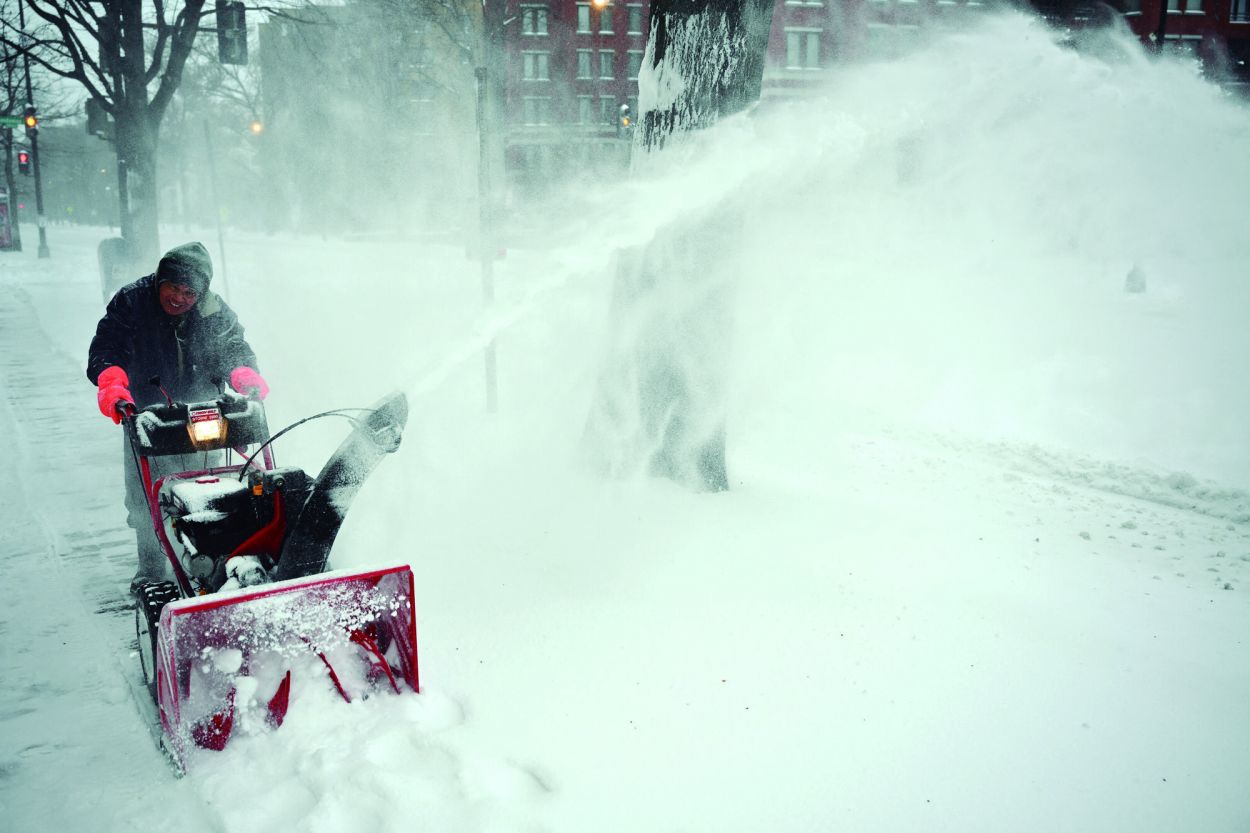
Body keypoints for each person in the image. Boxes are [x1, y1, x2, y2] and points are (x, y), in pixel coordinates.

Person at [87, 241, 270, 591]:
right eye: (173, 287)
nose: (179, 298)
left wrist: (244, 373)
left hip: (203, 411)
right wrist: (112, 383)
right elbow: (107, 347)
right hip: (146, 414)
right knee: (146, 498)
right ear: (160, 280)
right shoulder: (132, 302)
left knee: (209, 484)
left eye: (189, 292)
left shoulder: (212, 310)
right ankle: (152, 573)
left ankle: (213, 562)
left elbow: (232, 348)